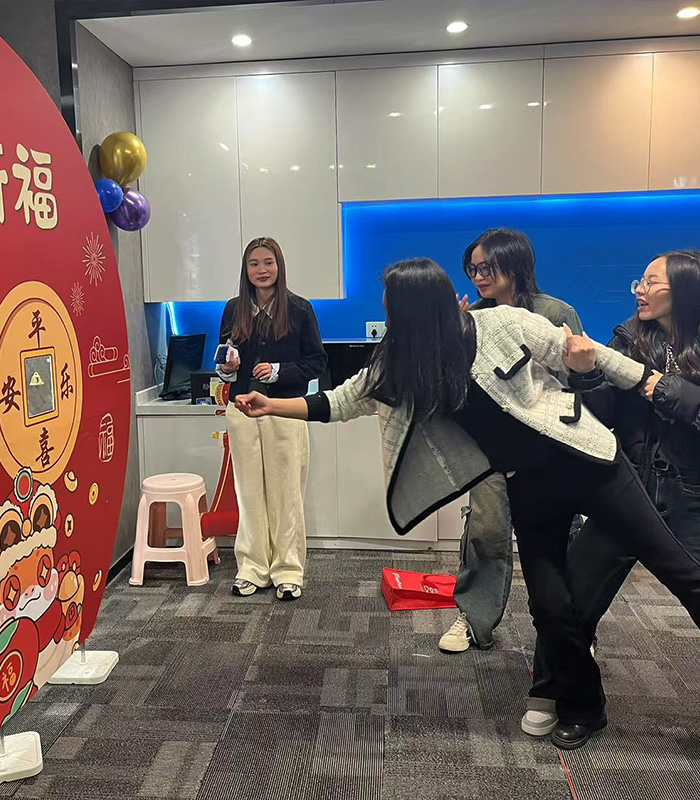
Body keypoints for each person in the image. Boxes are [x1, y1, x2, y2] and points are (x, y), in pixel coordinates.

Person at [233, 257, 700, 749]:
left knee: (678, 569)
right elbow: (343, 400)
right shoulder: (403, 365)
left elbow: (592, 355)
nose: (388, 320)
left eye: (391, 311)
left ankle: (567, 695)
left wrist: (651, 384)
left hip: (591, 463)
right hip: (530, 487)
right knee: (549, 605)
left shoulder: (504, 323)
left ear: (416, 312)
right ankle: (585, 706)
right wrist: (272, 405)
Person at [524, 249, 700, 738]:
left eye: (652, 282)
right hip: (626, 488)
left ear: (686, 288)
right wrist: (586, 373)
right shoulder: (627, 339)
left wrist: (657, 387)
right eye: (639, 282)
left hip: (690, 495)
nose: (640, 290)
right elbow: (599, 413)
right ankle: (569, 698)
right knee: (570, 601)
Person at [441, 228, 584, 655]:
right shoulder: (472, 317)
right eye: (473, 269)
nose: (478, 276)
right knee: (485, 531)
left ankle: (575, 629)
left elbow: (577, 379)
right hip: (490, 447)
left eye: (487, 267)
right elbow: (456, 383)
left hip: (547, 447)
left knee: (558, 539)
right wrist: (451, 337)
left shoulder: (556, 312)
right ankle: (475, 618)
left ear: (516, 264)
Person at [217, 237, 327, 601]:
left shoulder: (299, 309)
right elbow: (223, 364)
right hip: (242, 411)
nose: (261, 270)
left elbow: (317, 362)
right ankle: (252, 567)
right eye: (254, 264)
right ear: (245, 270)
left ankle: (288, 570)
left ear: (279, 266)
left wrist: (278, 371)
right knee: (249, 494)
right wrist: (228, 368)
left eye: (268, 262)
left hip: (284, 410)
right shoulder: (233, 309)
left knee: (286, 492)